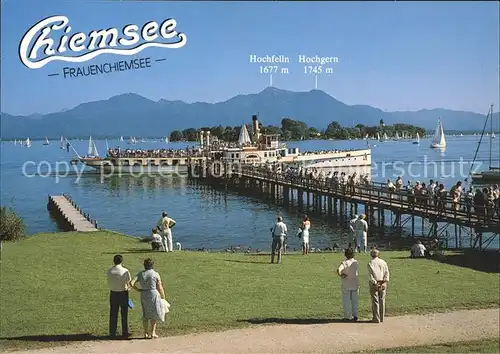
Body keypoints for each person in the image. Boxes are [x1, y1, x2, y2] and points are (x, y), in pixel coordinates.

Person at [130, 258, 166, 339]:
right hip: (153, 293)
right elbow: (159, 287)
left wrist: (138, 289)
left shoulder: (141, 274)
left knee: (145, 313)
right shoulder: (155, 274)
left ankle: (145, 333)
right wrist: (163, 296)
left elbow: (131, 283)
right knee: (154, 312)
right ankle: (153, 332)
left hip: (144, 294)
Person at [106, 255, 131, 338]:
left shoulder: (110, 270)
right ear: (121, 261)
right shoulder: (125, 271)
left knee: (113, 313)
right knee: (124, 313)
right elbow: (128, 282)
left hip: (113, 292)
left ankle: (112, 332)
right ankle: (125, 332)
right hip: (123, 293)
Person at [367, 249, 390, 323]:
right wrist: (385, 282)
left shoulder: (370, 263)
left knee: (375, 301)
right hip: (382, 282)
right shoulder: (383, 262)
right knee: (382, 300)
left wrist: (374, 283)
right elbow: (387, 272)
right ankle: (382, 317)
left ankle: (376, 318)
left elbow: (370, 275)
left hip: (375, 283)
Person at [337, 248, 359, 321]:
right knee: (354, 301)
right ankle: (355, 315)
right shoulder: (355, 262)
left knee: (346, 300)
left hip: (346, 283)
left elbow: (338, 270)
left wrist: (341, 274)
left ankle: (347, 316)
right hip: (355, 283)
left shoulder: (344, 263)